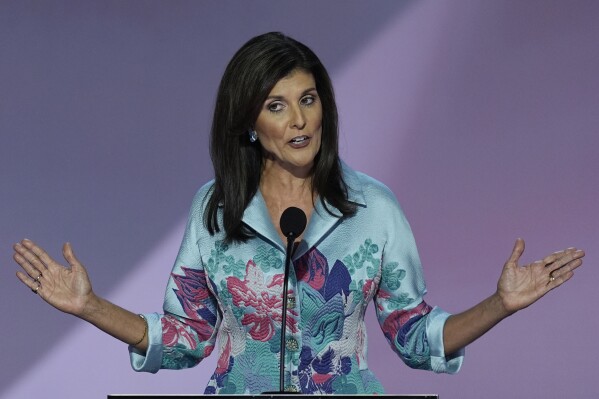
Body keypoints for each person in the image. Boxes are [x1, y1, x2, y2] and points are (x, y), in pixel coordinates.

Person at [13, 32, 584, 395]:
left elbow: (413, 335)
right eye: (276, 106)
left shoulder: (373, 208)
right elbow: (188, 337)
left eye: (308, 100)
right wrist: (90, 307)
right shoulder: (215, 210)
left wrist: (501, 305)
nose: (299, 121)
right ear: (250, 125)